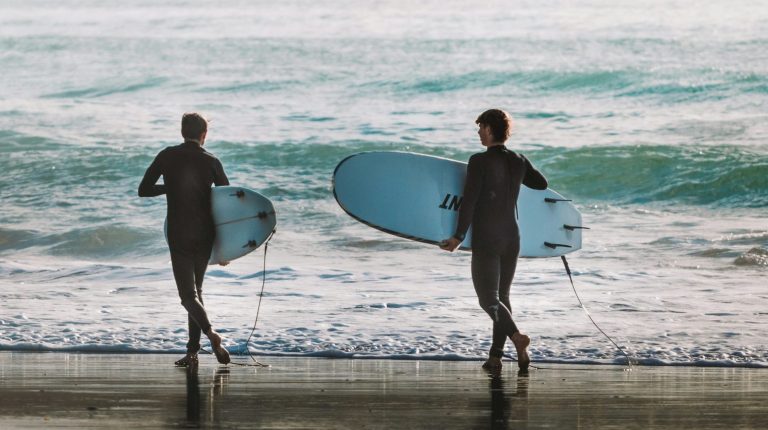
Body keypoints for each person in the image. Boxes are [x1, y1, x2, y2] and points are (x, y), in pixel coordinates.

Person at [440, 109, 548, 373]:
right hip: (512, 237)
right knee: (502, 297)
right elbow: (542, 184)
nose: (478, 133)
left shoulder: (479, 161)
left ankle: (517, 337)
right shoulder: (519, 160)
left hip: (488, 236)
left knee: (487, 299)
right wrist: (519, 171)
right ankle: (496, 358)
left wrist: (458, 236)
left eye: (480, 128)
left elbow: (470, 201)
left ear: (489, 129)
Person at [138, 112, 231, 367]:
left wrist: (171, 187)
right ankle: (192, 353)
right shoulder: (212, 160)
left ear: (182, 132)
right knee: (197, 292)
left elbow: (143, 190)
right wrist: (226, 248)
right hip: (205, 235)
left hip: (179, 233)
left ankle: (211, 333)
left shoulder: (167, 155)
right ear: (204, 135)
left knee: (187, 296)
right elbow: (227, 201)